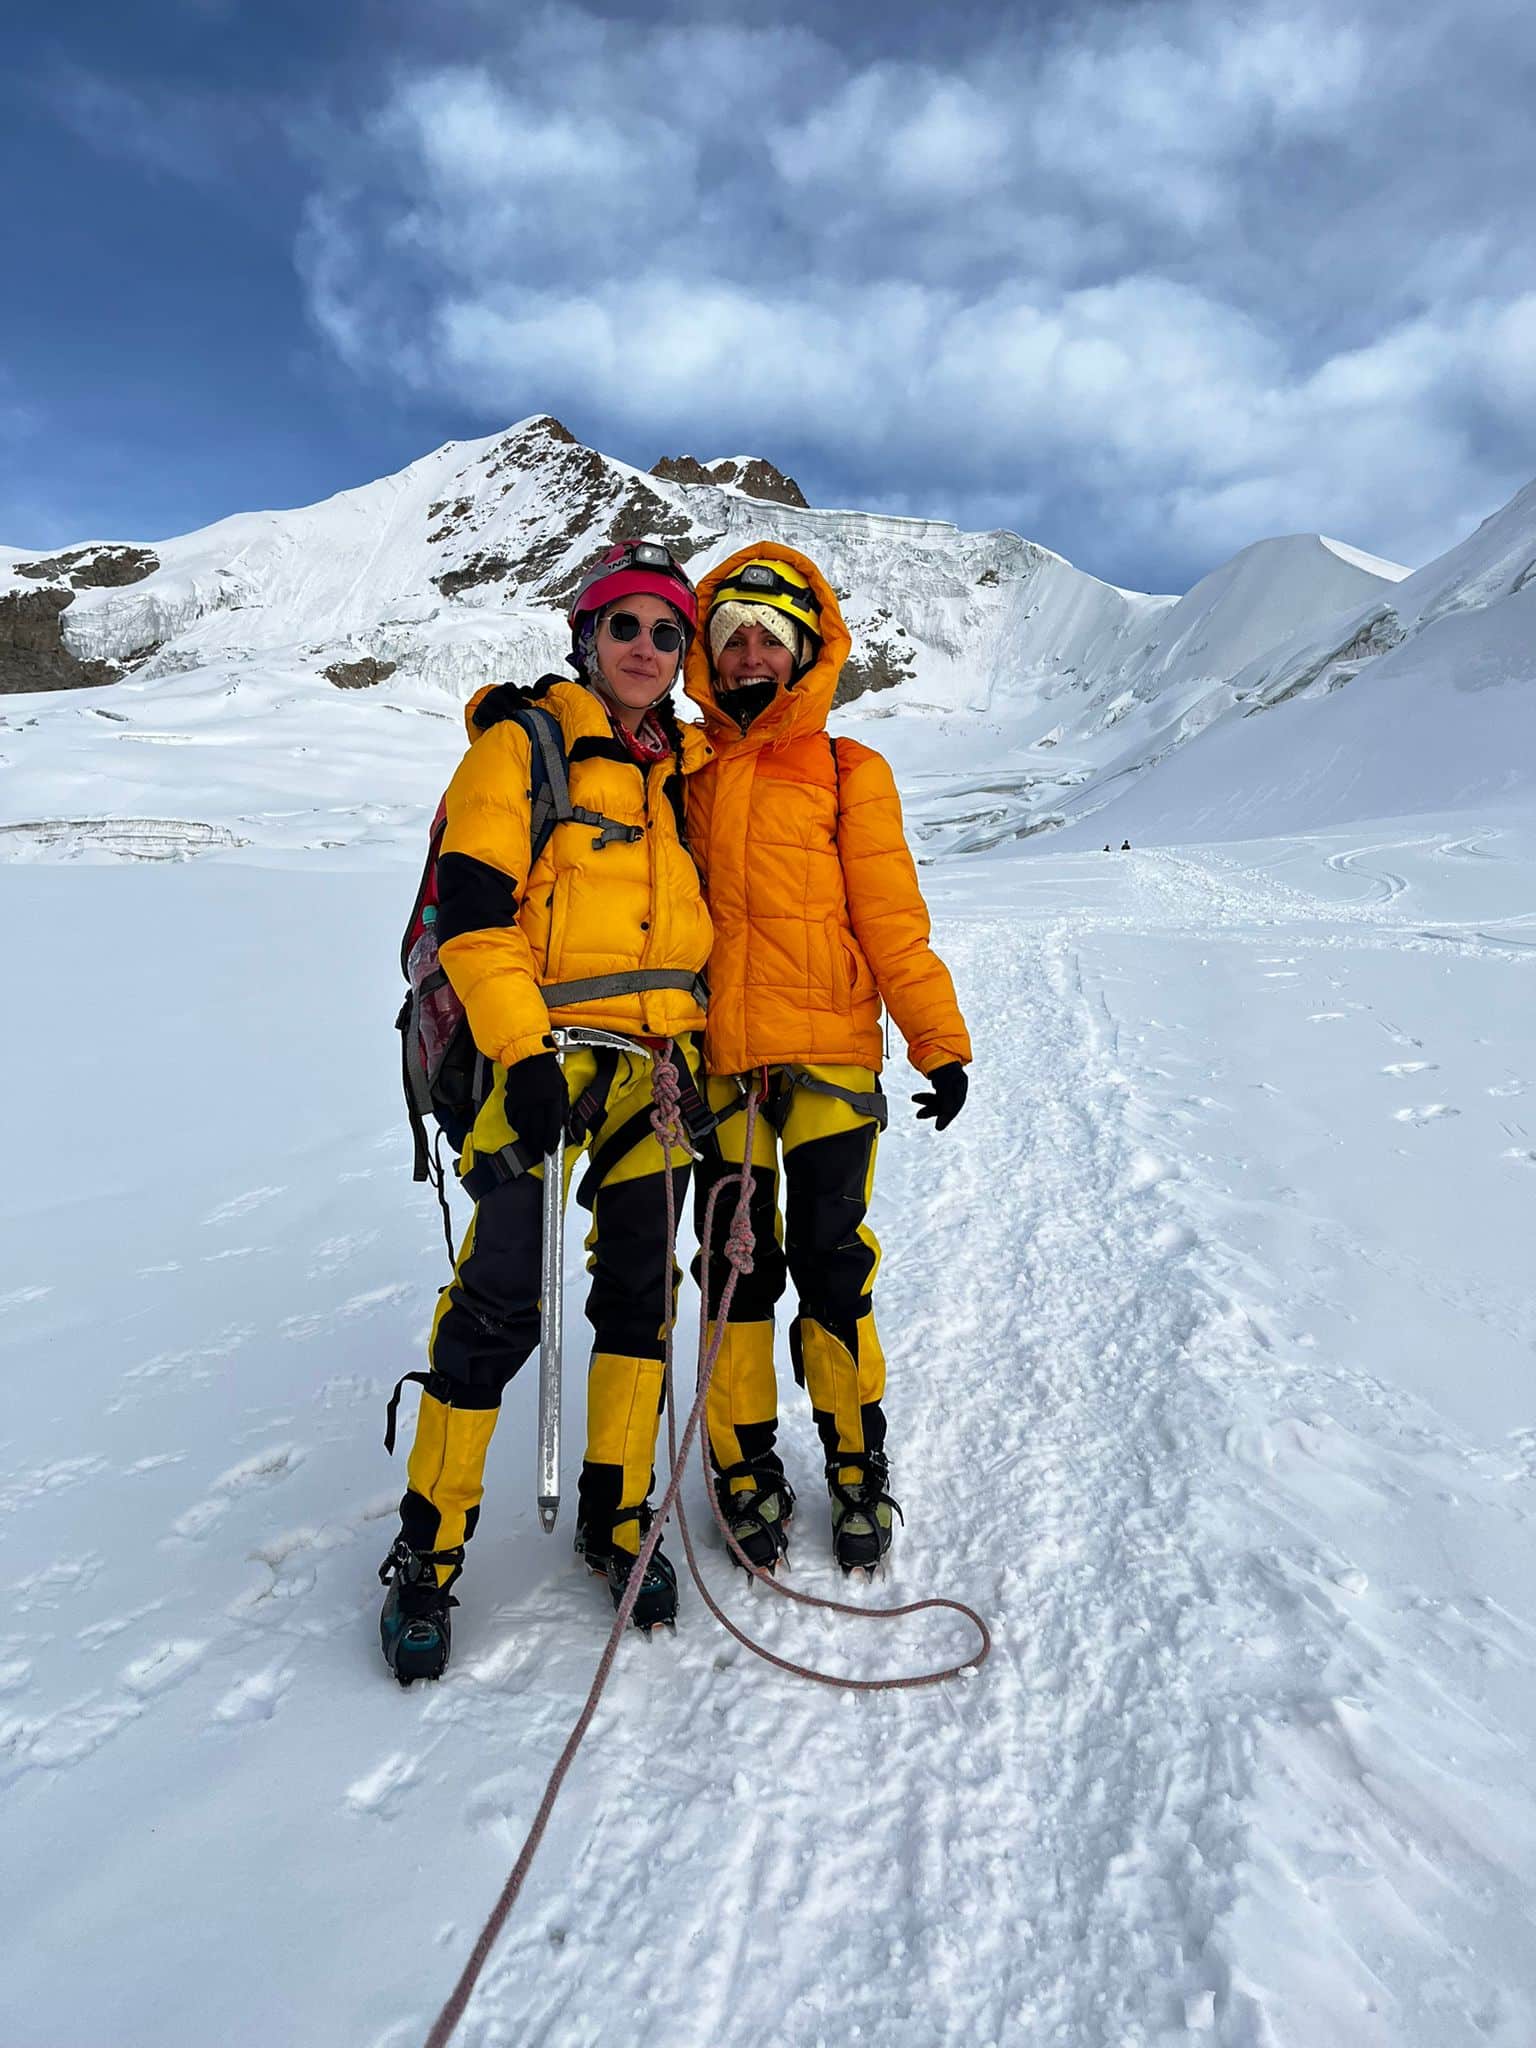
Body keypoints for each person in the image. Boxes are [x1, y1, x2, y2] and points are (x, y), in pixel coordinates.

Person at [379, 541, 714, 1682]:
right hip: (533, 1058)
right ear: (584, 635)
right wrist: (519, 1049)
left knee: (640, 1293)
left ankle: (617, 1516)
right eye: (624, 625)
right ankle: (428, 1549)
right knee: (499, 1301)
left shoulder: (680, 774)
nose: (645, 648)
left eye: (668, 633)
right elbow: (474, 909)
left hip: (650, 1072)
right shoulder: (520, 748)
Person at [682, 546, 972, 1576]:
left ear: (807, 650)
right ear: (708, 659)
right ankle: (741, 1460)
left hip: (834, 1061)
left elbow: (891, 916)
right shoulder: (685, 768)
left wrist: (937, 1037)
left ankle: (856, 1457)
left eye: (769, 636)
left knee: (832, 1267)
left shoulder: (853, 770)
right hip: (721, 1068)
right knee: (732, 1274)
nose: (751, 653)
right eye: (732, 638)